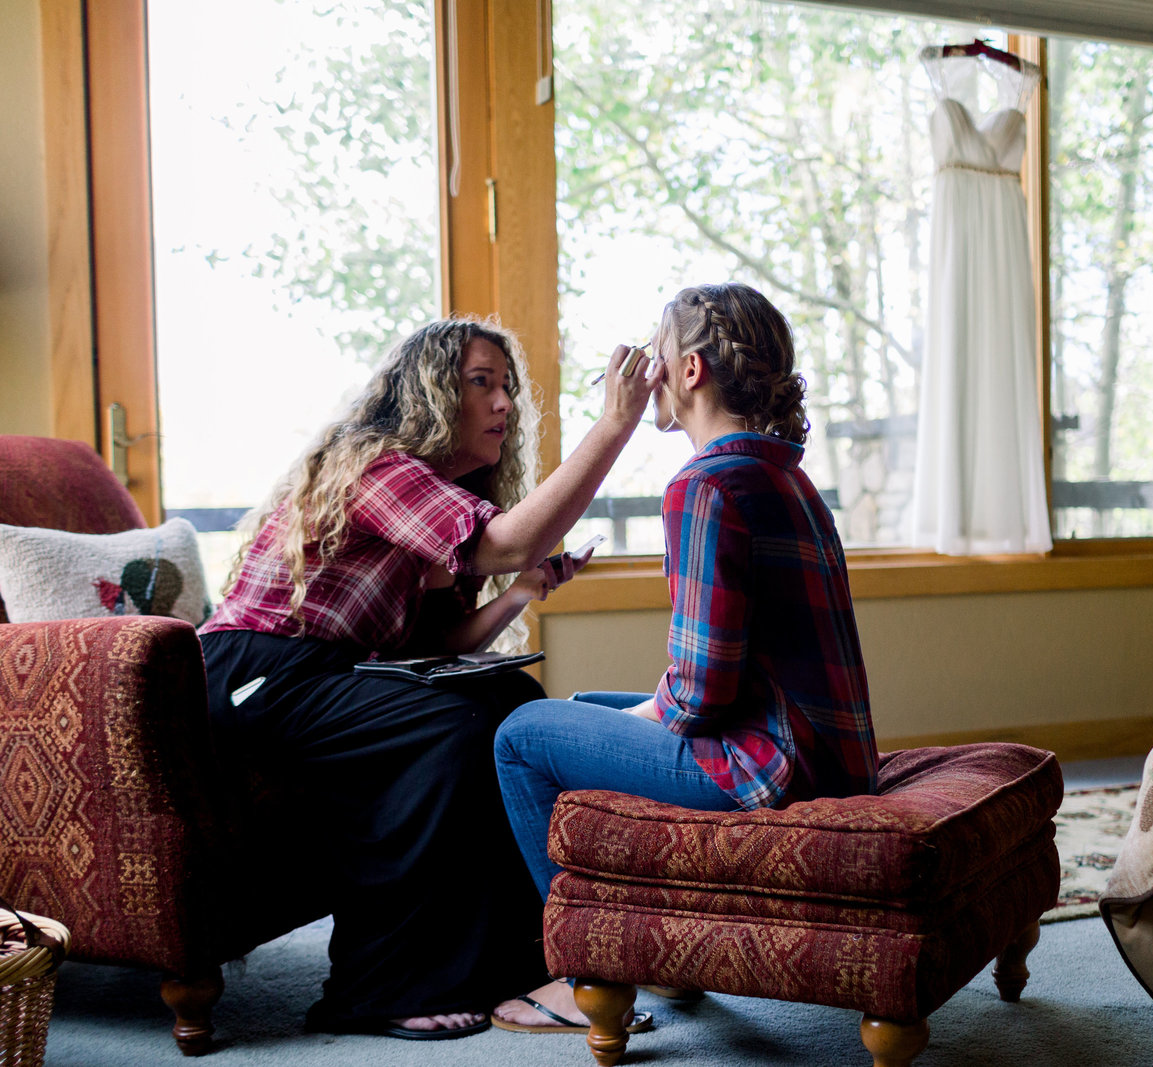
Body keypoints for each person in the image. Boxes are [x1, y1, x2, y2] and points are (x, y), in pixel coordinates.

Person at [197, 317, 663, 1039]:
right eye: (482, 383)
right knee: (452, 723)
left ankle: (528, 962)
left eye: (507, 387)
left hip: (325, 672)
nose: (504, 403)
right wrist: (615, 426)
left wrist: (516, 594)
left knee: (508, 703)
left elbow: (435, 640)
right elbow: (507, 539)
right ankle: (374, 987)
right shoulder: (377, 467)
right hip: (250, 671)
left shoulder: (427, 501)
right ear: (431, 394)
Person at [491, 282, 878, 1034]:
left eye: (657, 352)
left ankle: (590, 974)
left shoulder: (704, 484)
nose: (649, 371)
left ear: (691, 370)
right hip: (829, 759)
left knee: (521, 735)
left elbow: (703, 690)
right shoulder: (785, 475)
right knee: (583, 711)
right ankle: (657, 953)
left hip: (771, 770)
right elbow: (724, 677)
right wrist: (634, 713)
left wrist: (649, 712)